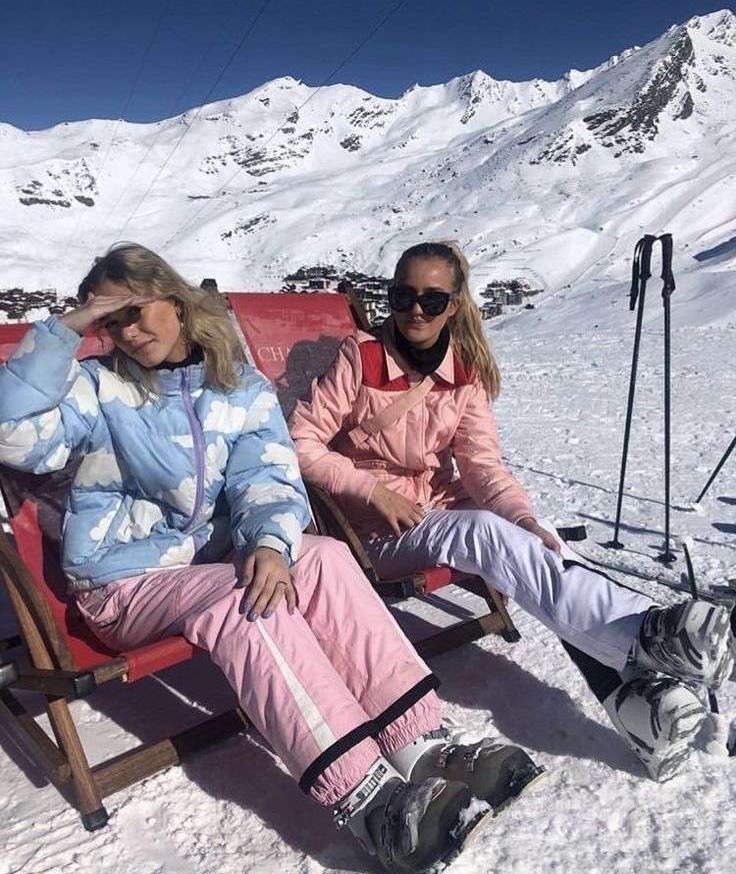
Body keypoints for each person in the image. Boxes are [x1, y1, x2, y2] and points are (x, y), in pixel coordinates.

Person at [0, 243, 550, 874]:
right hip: (125, 581)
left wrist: (268, 542)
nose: (128, 329)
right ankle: (366, 798)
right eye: (110, 317)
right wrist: (63, 330)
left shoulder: (234, 385)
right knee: (246, 602)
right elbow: (11, 436)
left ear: (176, 302)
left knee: (324, 558)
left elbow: (269, 474)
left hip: (209, 564)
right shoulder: (95, 387)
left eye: (137, 308)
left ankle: (421, 744)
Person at [289, 240, 734, 783]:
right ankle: (643, 633)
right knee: (480, 531)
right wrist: (372, 490)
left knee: (539, 536)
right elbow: (302, 442)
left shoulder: (463, 371)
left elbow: (482, 467)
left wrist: (523, 519)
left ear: (454, 305)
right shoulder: (360, 359)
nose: (415, 310)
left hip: (435, 510)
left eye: (432, 299)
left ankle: (632, 701)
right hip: (374, 532)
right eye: (403, 296)